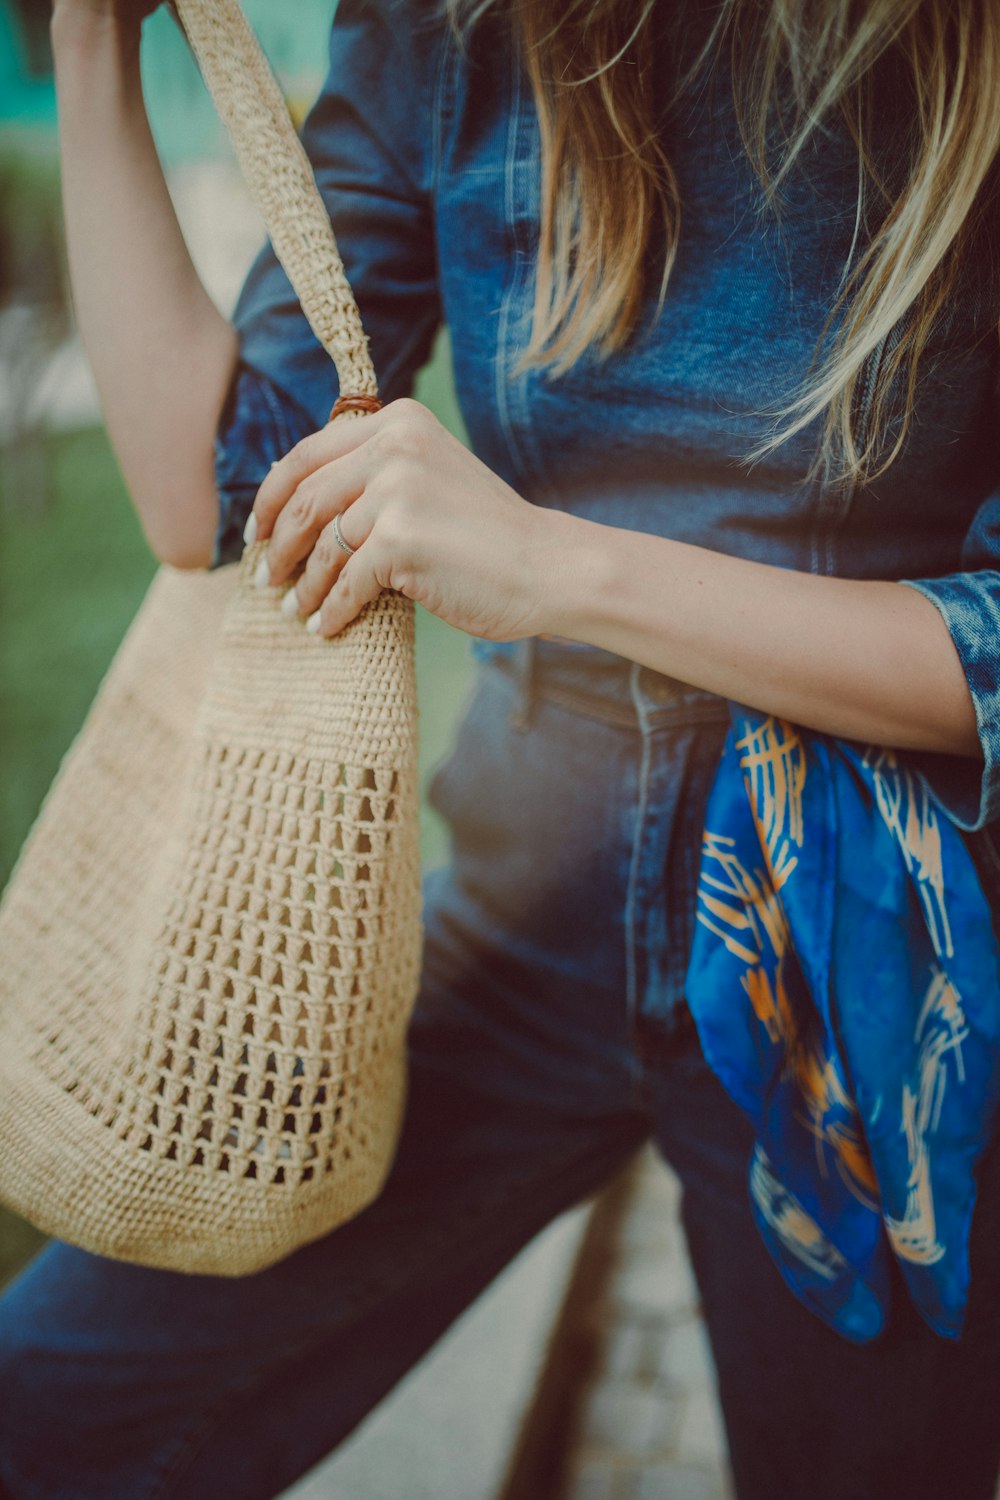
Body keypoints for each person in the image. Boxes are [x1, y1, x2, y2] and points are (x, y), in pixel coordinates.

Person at [2, 0, 1000, 1495]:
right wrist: (91, 53)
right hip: (530, 902)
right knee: (53, 1404)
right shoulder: (446, 28)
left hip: (867, 955)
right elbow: (203, 499)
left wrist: (553, 565)